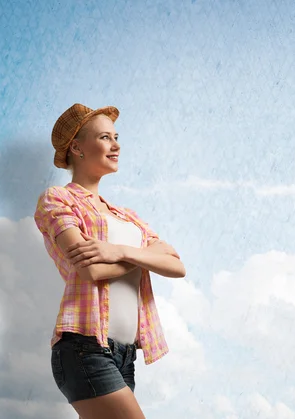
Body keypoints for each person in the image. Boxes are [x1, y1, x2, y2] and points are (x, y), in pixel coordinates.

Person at [34, 103, 186, 419]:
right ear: (76, 147)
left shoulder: (127, 216)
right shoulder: (58, 199)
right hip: (84, 348)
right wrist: (146, 258)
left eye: (116, 137)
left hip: (124, 354)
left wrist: (120, 251)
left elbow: (175, 264)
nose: (116, 145)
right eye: (105, 137)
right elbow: (91, 270)